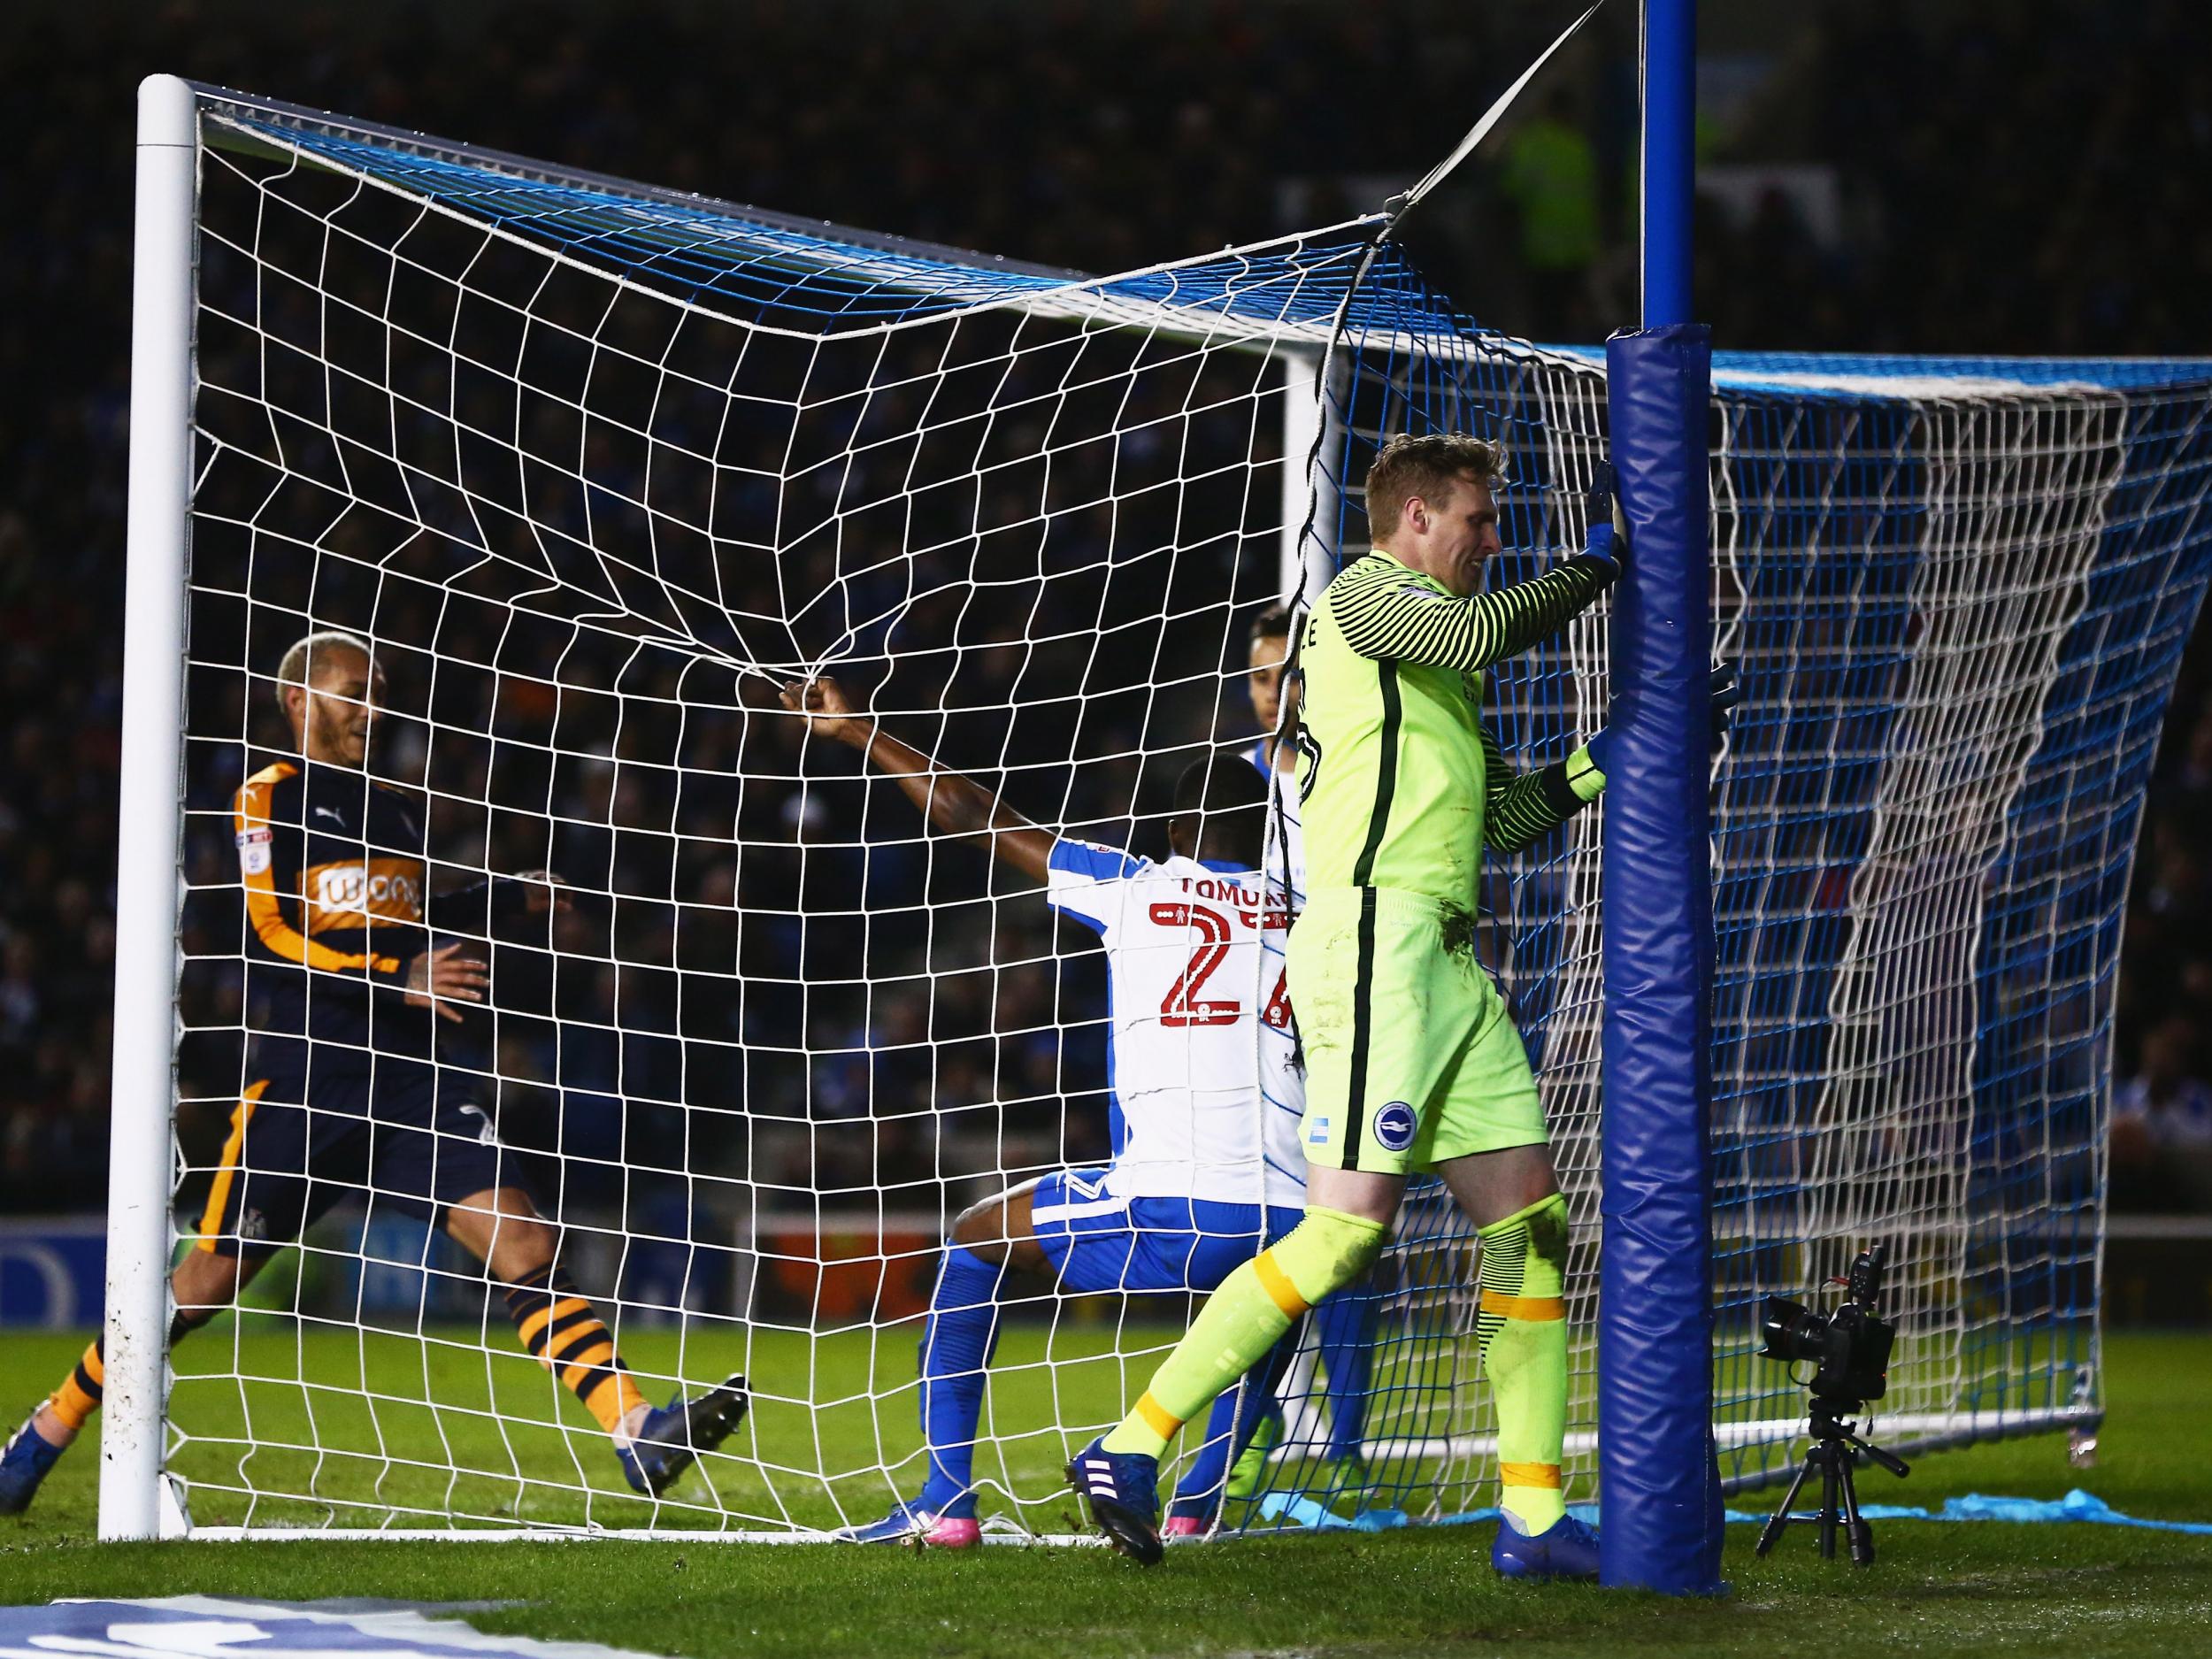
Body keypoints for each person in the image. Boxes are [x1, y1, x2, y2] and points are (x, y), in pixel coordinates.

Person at [1070, 433, 1731, 1578]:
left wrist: (1609, 759)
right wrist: (1602, 565)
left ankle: (1529, 1514)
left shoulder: (1436, 676)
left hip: (1444, 958)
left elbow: (1481, 834)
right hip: (1372, 941)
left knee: (1528, 1222)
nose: (1491, 535)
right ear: (1415, 516)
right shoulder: (1361, 601)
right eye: (1476, 517)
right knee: (1344, 1230)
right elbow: (1481, 625)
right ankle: (1129, 1443)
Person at [0, 632, 744, 1516]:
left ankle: (635, 1433)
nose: (374, 707)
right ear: (299, 702)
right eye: (354, 691)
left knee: (526, 1246)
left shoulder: (395, 809)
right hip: (310, 1084)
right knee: (200, 1289)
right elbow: (272, 933)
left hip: (412, 1081)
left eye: (380, 691)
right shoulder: (266, 797)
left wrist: (513, 897)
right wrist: (401, 978)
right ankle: (45, 1432)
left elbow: (413, 920)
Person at [781, 673, 1305, 1546]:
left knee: (976, 1237)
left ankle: (946, 1499)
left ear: (1175, 834)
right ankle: (1197, 1506)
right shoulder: (1308, 914)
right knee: (1280, 1291)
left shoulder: (1133, 885)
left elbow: (966, 807)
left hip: (1166, 1199)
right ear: (1261, 836)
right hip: (1286, 1209)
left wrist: (861, 731)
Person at [1232, 603, 1380, 1502]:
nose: (1273, 693)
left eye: (1290, 674)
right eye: (1259, 676)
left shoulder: (1355, 778)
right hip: (1252, 1042)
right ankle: (1253, 1426)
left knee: (1351, 1236)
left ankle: (1353, 1436)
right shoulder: (1221, 788)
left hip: (1346, 1026)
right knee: (1264, 1237)